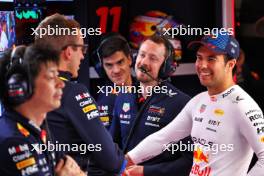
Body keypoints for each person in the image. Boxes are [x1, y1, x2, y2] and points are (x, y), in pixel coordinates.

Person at [125, 32, 264, 176]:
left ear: (230, 64)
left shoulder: (243, 106)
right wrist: (126, 160)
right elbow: (163, 139)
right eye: (199, 58)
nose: (202, 65)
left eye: (211, 59)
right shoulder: (198, 101)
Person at [35, 13, 125, 175]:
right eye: (81, 48)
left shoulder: (25, 91)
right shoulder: (72, 93)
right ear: (69, 52)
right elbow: (111, 160)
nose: (83, 56)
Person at [110, 35, 193, 176]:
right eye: (142, 55)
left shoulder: (181, 103)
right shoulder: (123, 96)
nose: (144, 62)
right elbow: (112, 144)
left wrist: (145, 172)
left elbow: (189, 161)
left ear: (165, 67)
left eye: (153, 58)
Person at [0, 44, 85, 175]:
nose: (61, 83)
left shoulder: (39, 129)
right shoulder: (15, 142)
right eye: (51, 77)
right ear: (20, 87)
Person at [95, 33, 133, 129]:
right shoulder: (105, 100)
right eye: (109, 65)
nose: (116, 70)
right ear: (102, 67)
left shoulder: (145, 88)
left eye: (120, 62)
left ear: (129, 59)